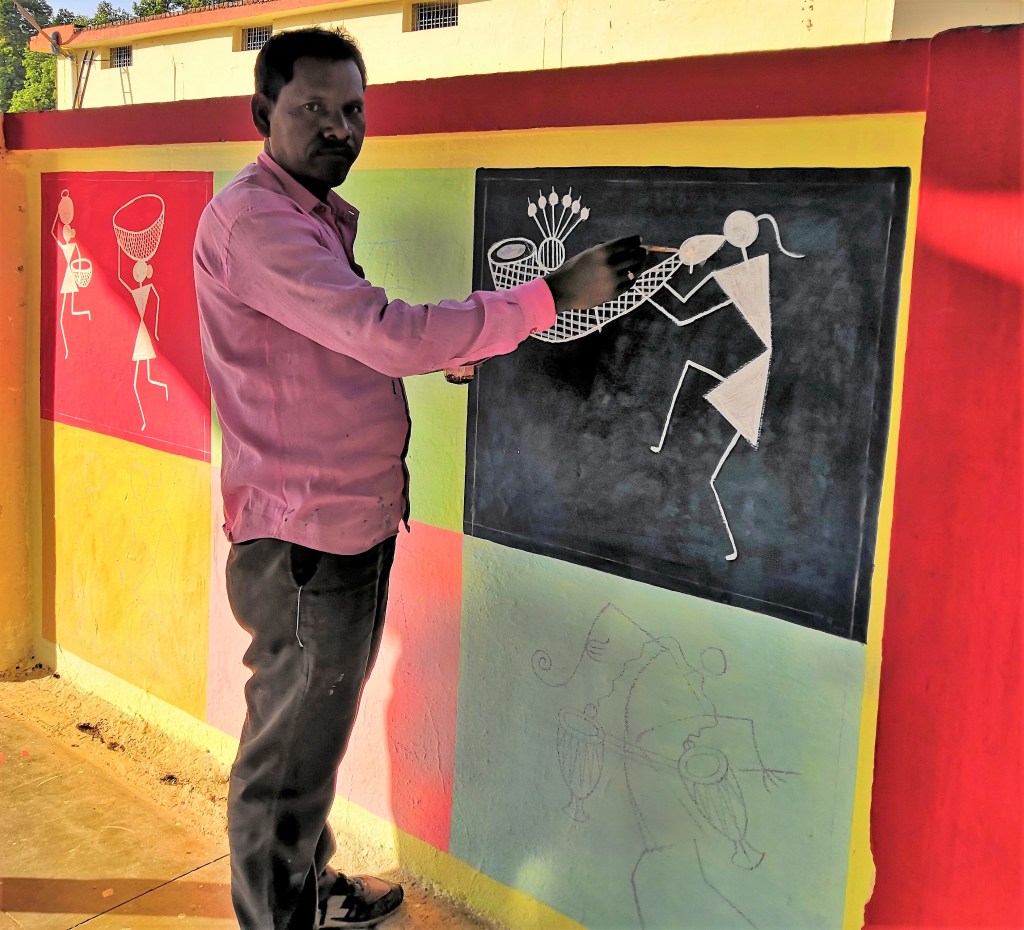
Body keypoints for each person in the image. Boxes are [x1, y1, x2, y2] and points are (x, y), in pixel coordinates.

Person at [193, 26, 645, 930]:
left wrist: (454, 345)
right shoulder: (257, 222)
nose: (339, 127)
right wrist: (551, 296)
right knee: (288, 760)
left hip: (344, 525)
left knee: (311, 738)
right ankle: (278, 916)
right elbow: (381, 332)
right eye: (312, 108)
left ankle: (308, 890)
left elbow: (334, 344)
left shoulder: (309, 214)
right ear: (262, 113)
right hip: (306, 541)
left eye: (352, 109)